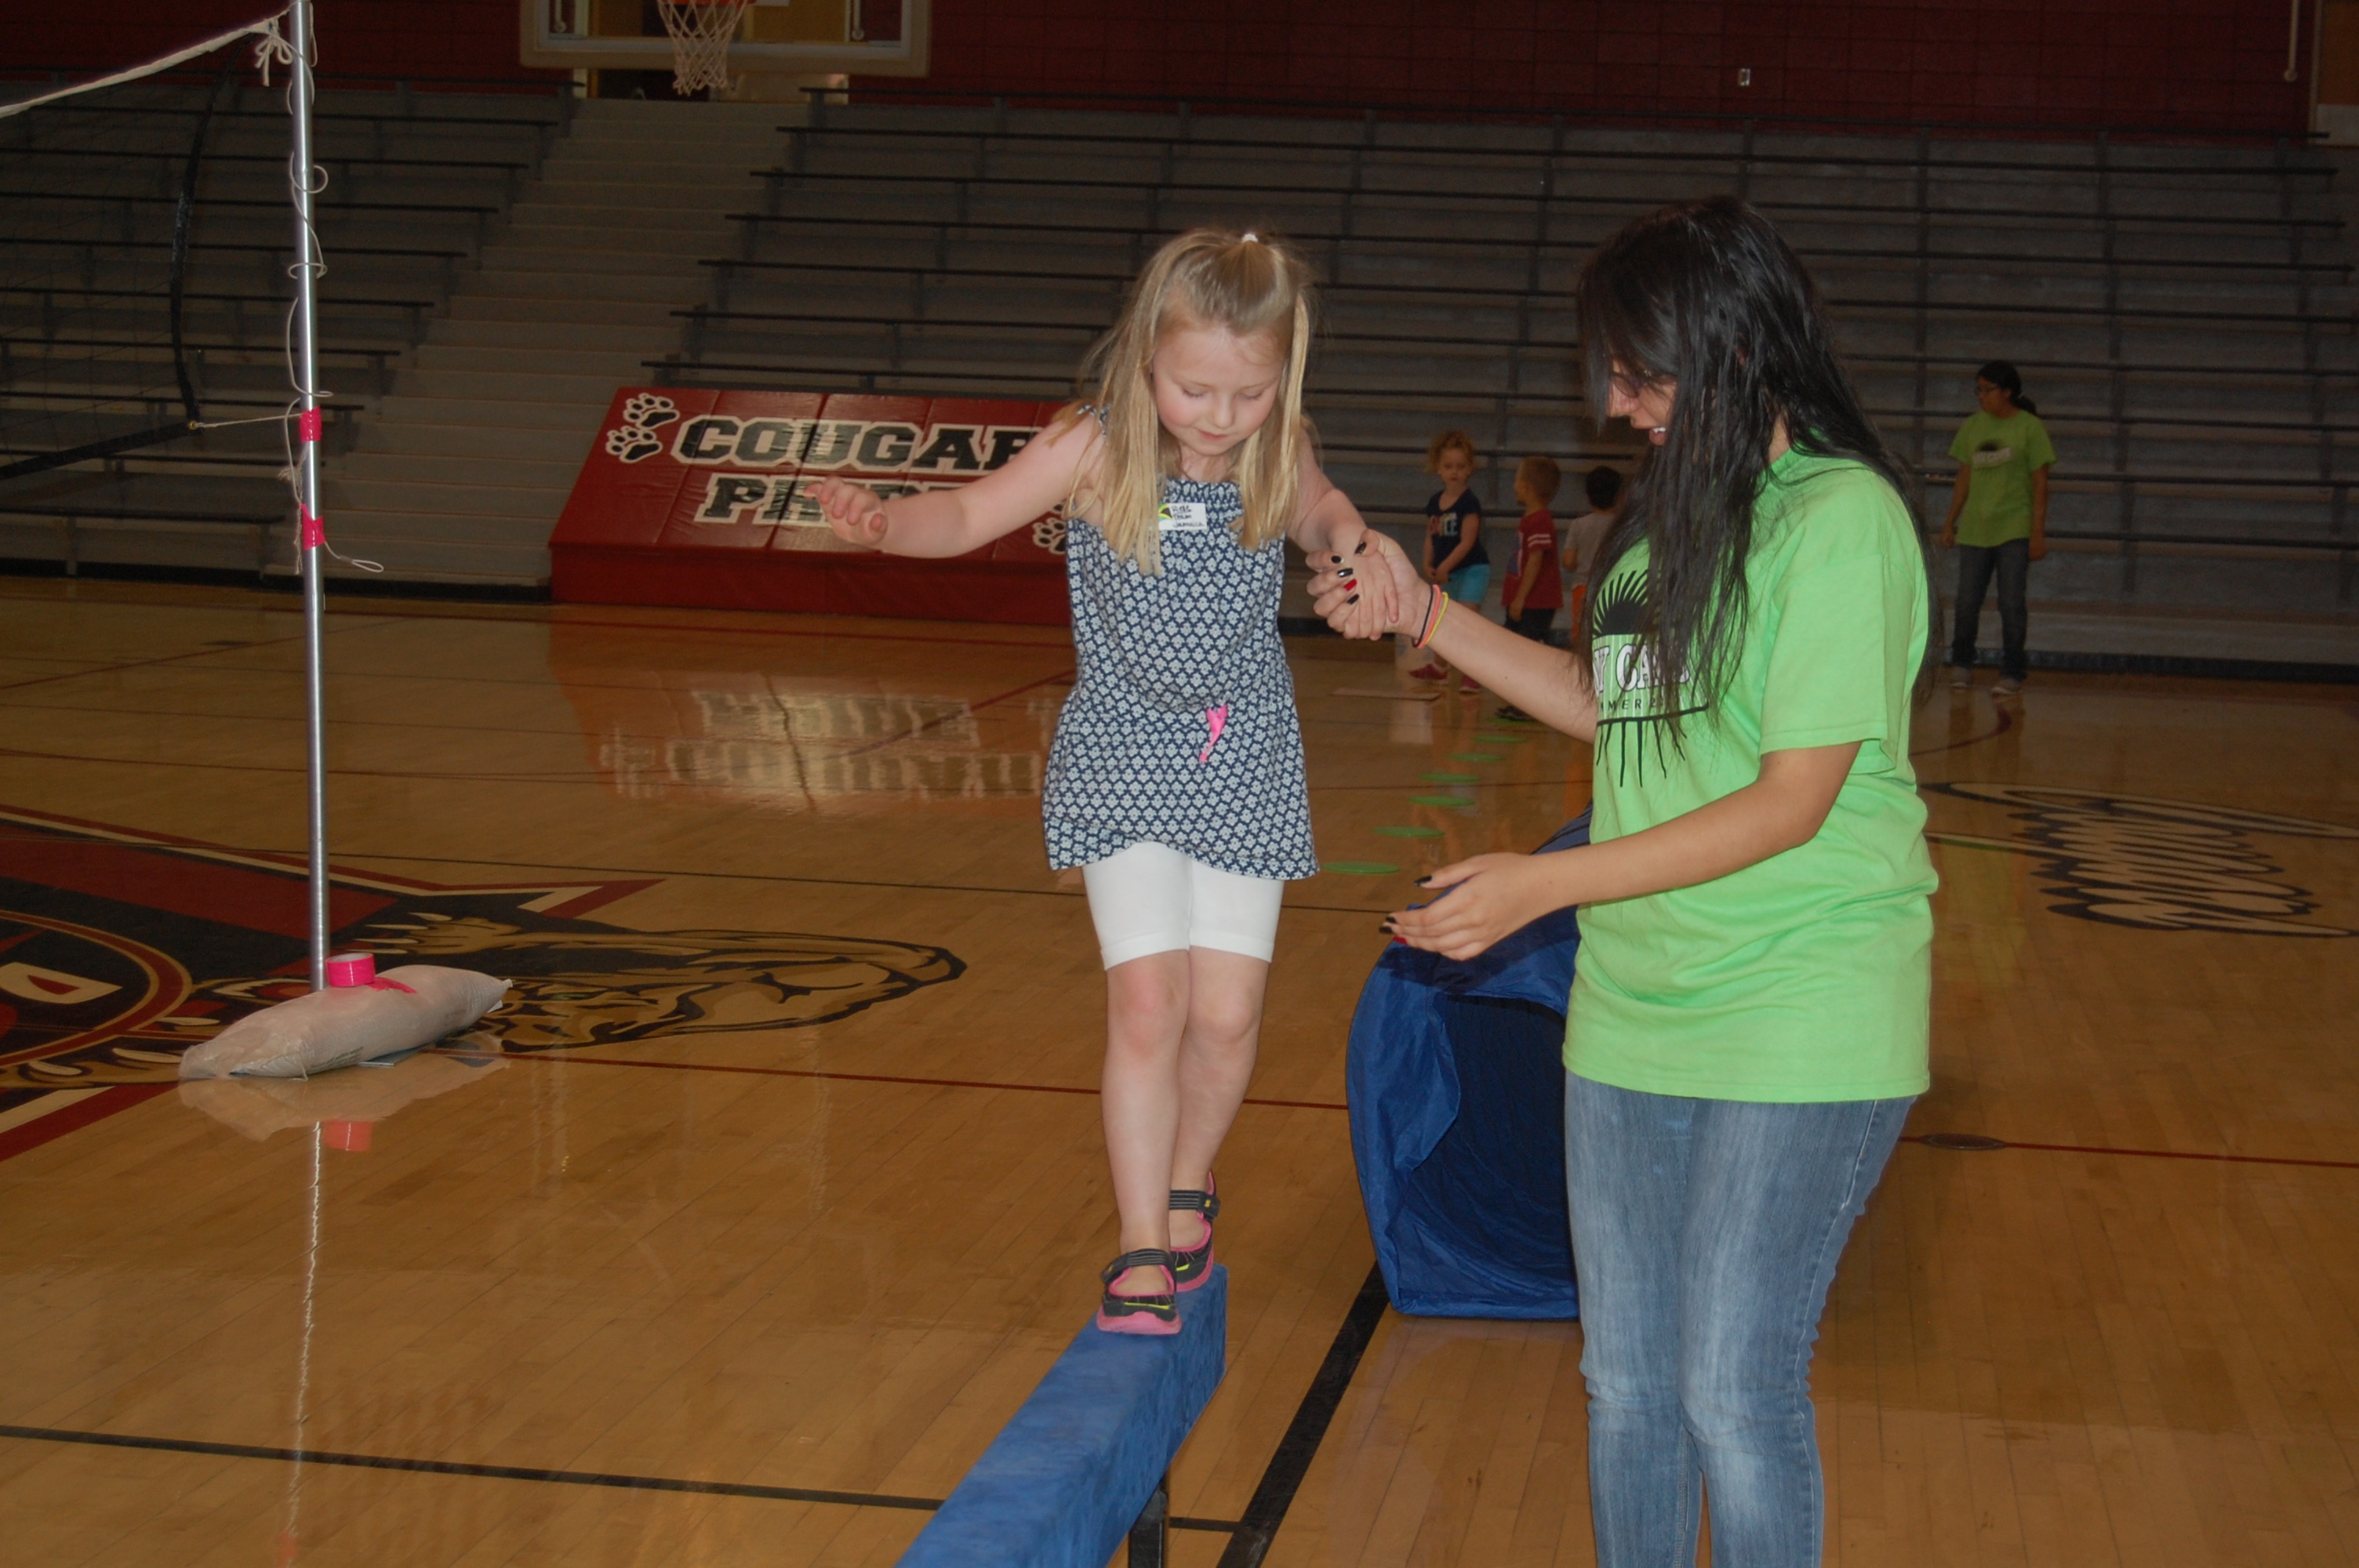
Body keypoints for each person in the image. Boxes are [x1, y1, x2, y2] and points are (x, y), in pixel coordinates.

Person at [1308, 195, 1936, 1566]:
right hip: (1636, 1008)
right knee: (1627, 1383)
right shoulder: (1666, 534)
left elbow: (1790, 800)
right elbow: (1619, 711)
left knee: (1731, 1386)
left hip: (1803, 1004)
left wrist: (1545, 889)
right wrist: (1424, 610)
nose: (1611, 399)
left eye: (1636, 368)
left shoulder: (1841, 521)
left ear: (1732, 347)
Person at [812, 229, 1398, 1335]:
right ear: (1145, 361)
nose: (1221, 415)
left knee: (1224, 1018)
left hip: (1245, 755)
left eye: (1249, 392)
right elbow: (968, 516)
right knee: (1149, 1003)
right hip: (1122, 749)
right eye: (1194, 389)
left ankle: (1190, 1178)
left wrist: (1345, 540)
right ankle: (1140, 1240)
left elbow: (1323, 511)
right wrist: (890, 523)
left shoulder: (1280, 451)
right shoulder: (1095, 447)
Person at [1937, 360, 2052, 698]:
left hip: (2013, 527)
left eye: (1987, 390)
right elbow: (1964, 479)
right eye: (1978, 390)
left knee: (2011, 603)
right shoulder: (1972, 427)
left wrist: (2037, 531)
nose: (1981, 396)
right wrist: (1949, 522)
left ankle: (2013, 671)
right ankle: (1962, 664)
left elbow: (2041, 484)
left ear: (2008, 392)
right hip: (1975, 528)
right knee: (1967, 602)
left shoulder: (2030, 428)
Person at [1412, 429, 1486, 691]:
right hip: (1447, 573)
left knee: (1466, 622)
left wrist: (1445, 566)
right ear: (1438, 468)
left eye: (1460, 466)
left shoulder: (1469, 503)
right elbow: (1431, 536)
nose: (1454, 471)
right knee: (1443, 623)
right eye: (1448, 466)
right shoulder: (1435, 502)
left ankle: (1474, 673)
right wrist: (1428, 563)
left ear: (1469, 470)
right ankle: (1440, 667)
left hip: (1472, 570)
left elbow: (1467, 541)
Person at [1496, 453, 1563, 722]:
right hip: (1526, 599)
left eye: (1516, 479)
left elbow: (1536, 560)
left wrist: (1520, 598)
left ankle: (1533, 704)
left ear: (1526, 487)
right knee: (1514, 651)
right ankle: (1521, 702)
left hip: (1536, 602)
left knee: (1528, 653)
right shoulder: (1531, 519)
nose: (1514, 485)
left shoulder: (1540, 521)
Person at [1559, 463, 1623, 630]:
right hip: (1614, 586)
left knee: (1582, 633)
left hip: (1583, 587)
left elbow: (1568, 561)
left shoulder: (1579, 524)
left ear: (1588, 496)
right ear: (1619, 496)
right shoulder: (1621, 525)